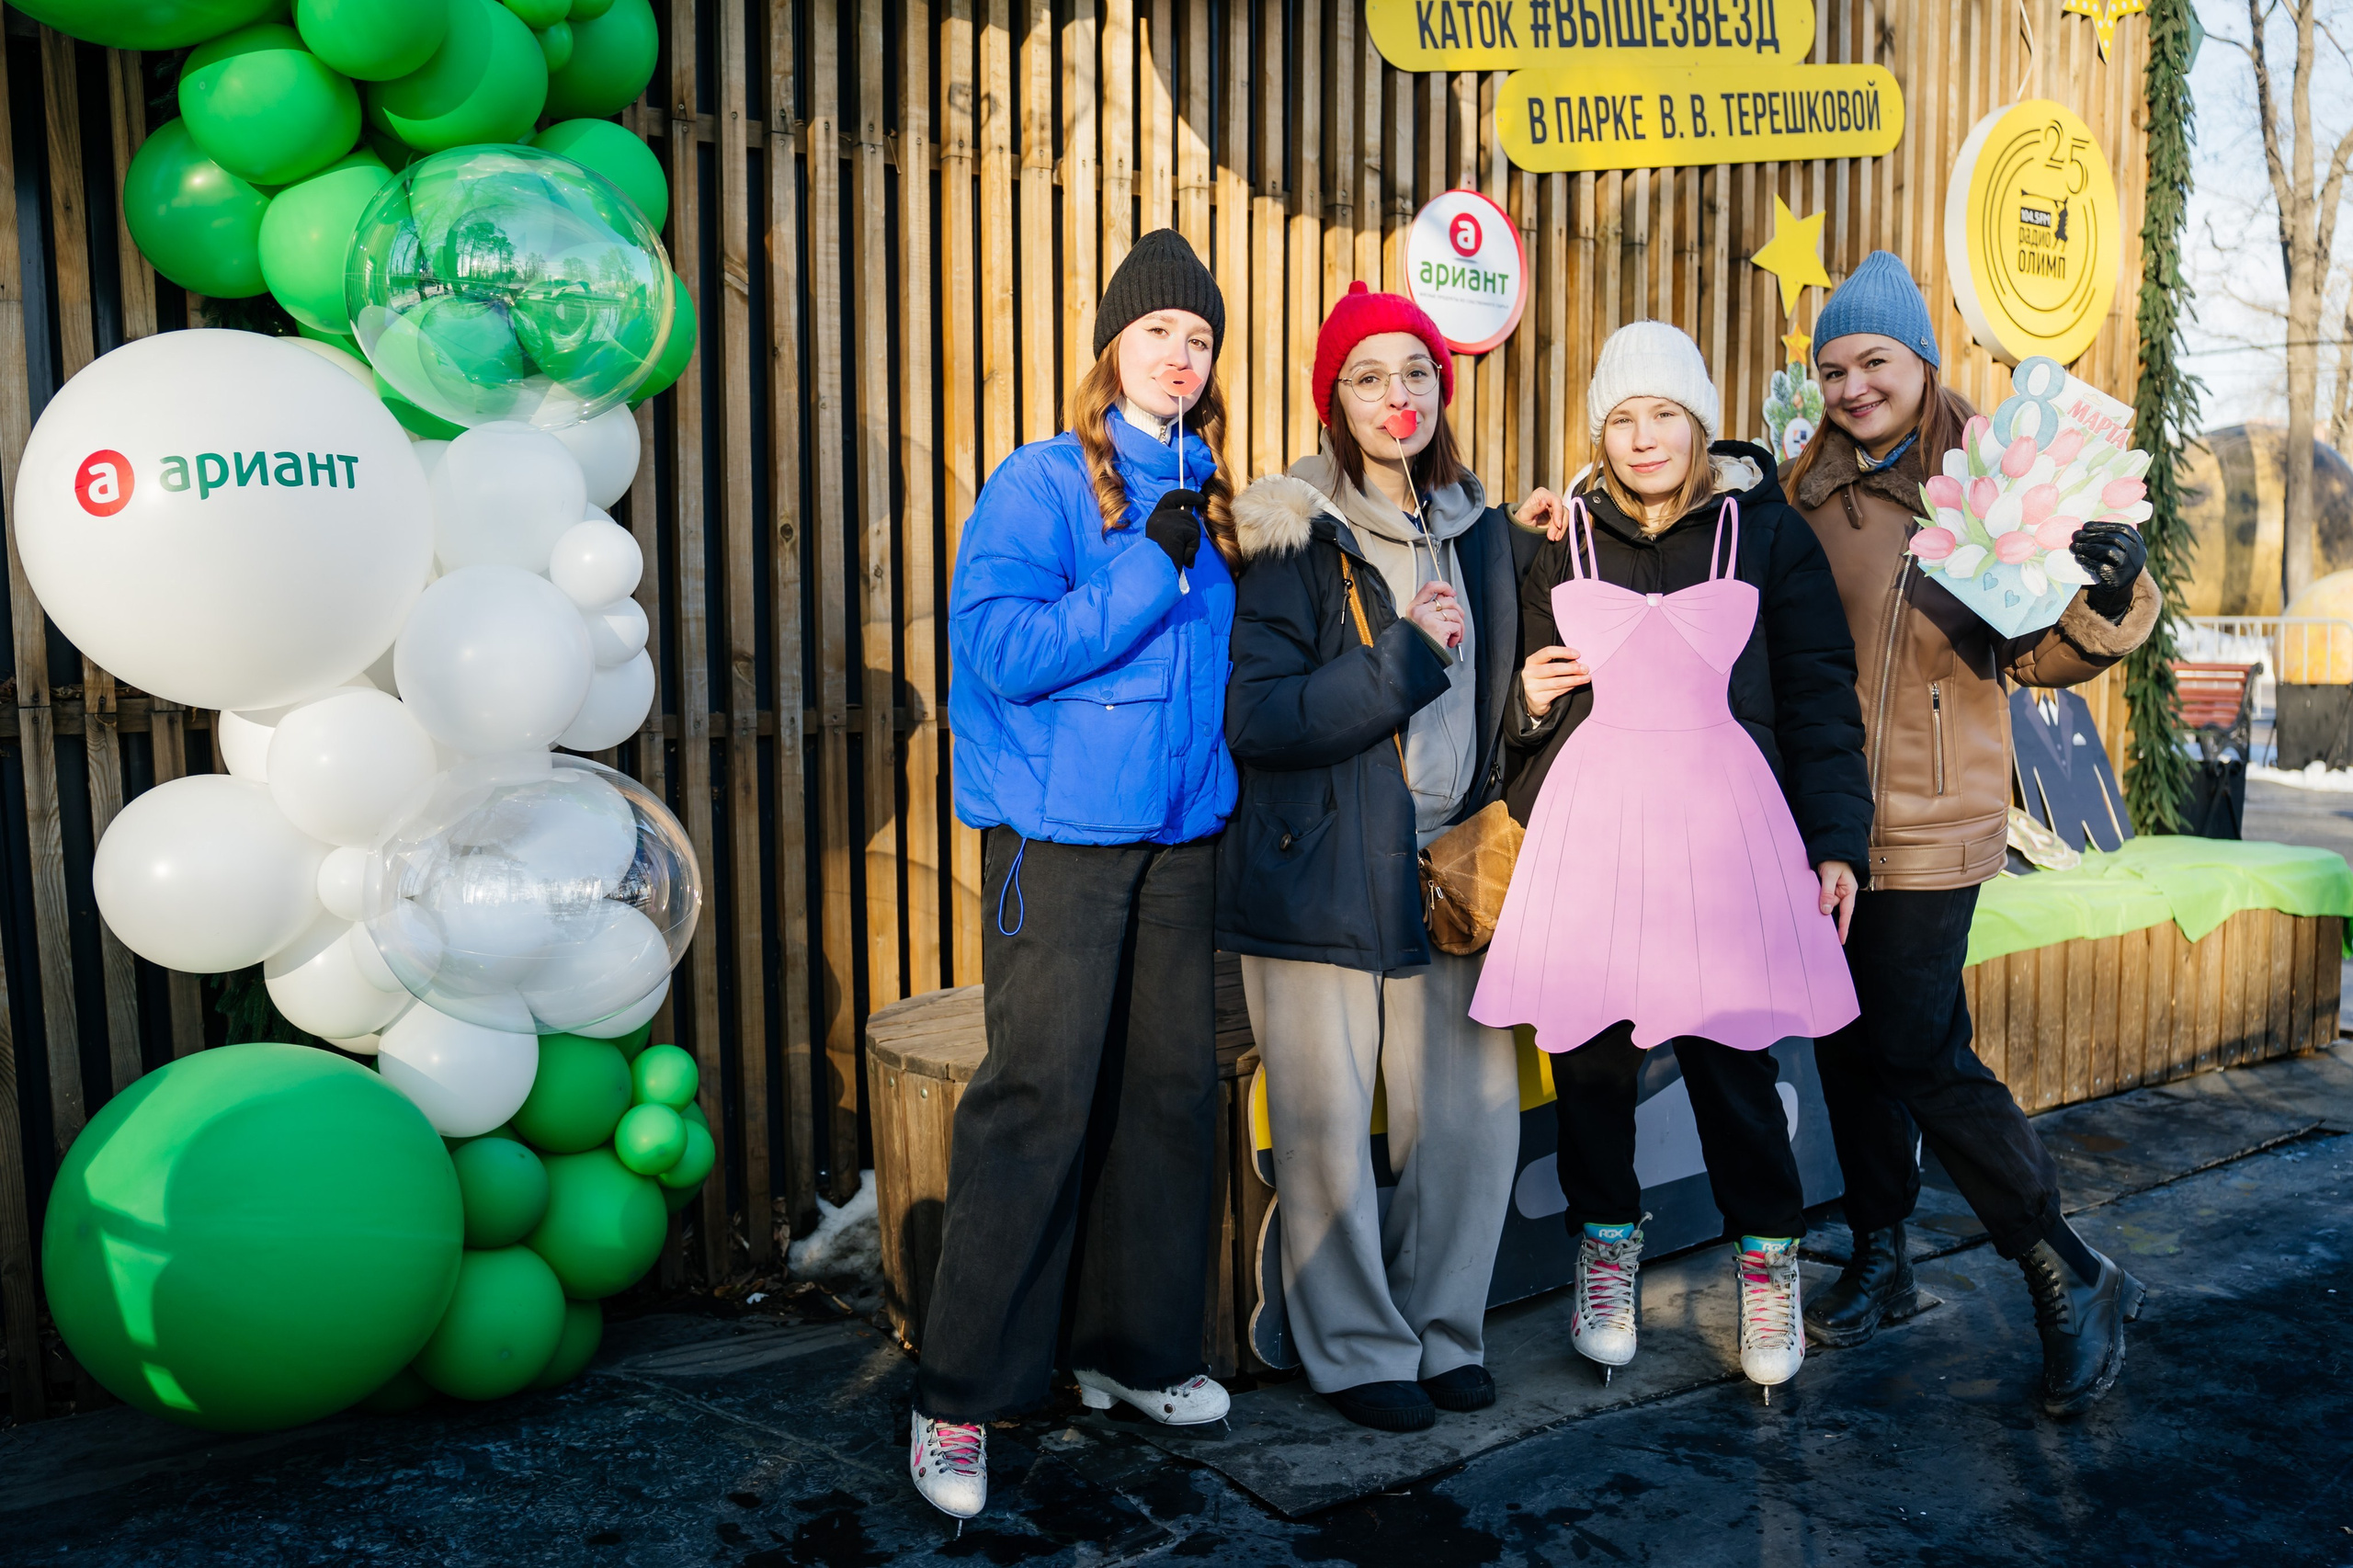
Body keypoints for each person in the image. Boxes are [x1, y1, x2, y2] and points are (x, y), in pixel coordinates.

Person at [1785, 251, 2156, 1416]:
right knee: (1846, 1043)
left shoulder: (1997, 479)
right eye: (1833, 370)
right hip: (1825, 822)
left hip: (1937, 816)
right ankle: (1881, 1253)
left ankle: (2067, 1268)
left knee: (1917, 1049)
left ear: (1921, 360)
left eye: (1874, 362)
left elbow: (2036, 651)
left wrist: (2107, 594)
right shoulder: (1803, 491)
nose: (1853, 387)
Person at [1481, 321, 1870, 1398]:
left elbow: (1819, 696)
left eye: (1663, 413)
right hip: (1596, 839)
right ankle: (1605, 1248)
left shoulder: (1769, 535)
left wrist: (1835, 840)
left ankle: (1767, 1261)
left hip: (1722, 838)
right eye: (1621, 417)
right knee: (1590, 1060)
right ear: (1598, 432)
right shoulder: (1559, 542)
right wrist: (1525, 707)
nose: (1643, 435)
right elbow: (1516, 710)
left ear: (1698, 421)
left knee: (1730, 1060)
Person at [913, 231, 1237, 1518]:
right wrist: (1153, 564)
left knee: (1167, 1096)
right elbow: (1003, 649)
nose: (1180, 354)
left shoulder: (1209, 490)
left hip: (1180, 835)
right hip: (1058, 841)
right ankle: (957, 1393)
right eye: (1158, 330)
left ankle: (1131, 1349)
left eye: (1199, 337)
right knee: (1037, 1098)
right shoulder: (1042, 482)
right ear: (1112, 346)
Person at [1220, 281, 1525, 1434]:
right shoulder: (1292, 531)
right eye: (1367, 375)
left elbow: (1491, 701)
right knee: (1325, 1123)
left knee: (1468, 1118)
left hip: (1453, 866)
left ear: (1440, 387)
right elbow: (1259, 716)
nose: (1396, 393)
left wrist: (1524, 706)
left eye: (1414, 371)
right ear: (1334, 400)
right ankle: (1354, 1346)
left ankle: (1443, 1329)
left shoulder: (1482, 529)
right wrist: (1401, 657)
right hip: (1321, 862)